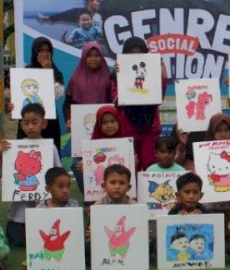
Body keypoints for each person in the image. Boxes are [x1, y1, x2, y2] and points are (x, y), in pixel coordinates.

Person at [3, 103, 63, 247]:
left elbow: (59, 174)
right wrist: (1, 153)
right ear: (21, 125)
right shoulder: (13, 148)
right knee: (16, 242)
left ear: (44, 123)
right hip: (19, 214)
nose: (30, 127)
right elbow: (6, 173)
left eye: (34, 122)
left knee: (43, 239)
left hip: (44, 209)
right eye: (26, 123)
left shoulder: (51, 147)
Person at [114, 36, 168, 170]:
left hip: (150, 127)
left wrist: (162, 74)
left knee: (149, 164)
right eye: (132, 52)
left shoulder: (152, 70)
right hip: (127, 126)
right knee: (129, 165)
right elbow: (114, 100)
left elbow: (158, 96)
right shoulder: (116, 72)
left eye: (139, 52)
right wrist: (119, 77)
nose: (136, 55)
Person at [65, 42, 112, 193]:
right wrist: (69, 119)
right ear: (84, 57)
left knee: (106, 160)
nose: (93, 59)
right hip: (82, 130)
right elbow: (67, 102)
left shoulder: (109, 77)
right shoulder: (76, 78)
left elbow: (115, 99)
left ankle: (106, 195)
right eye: (89, 55)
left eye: (97, 55)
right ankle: (88, 197)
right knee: (78, 165)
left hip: (106, 128)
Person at [17, 37, 65, 151]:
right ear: (35, 52)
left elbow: (57, 96)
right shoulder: (26, 71)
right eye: (41, 50)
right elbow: (20, 96)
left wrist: (48, 71)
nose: (44, 53)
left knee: (49, 152)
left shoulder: (56, 72)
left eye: (47, 50)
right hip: (28, 120)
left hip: (49, 120)